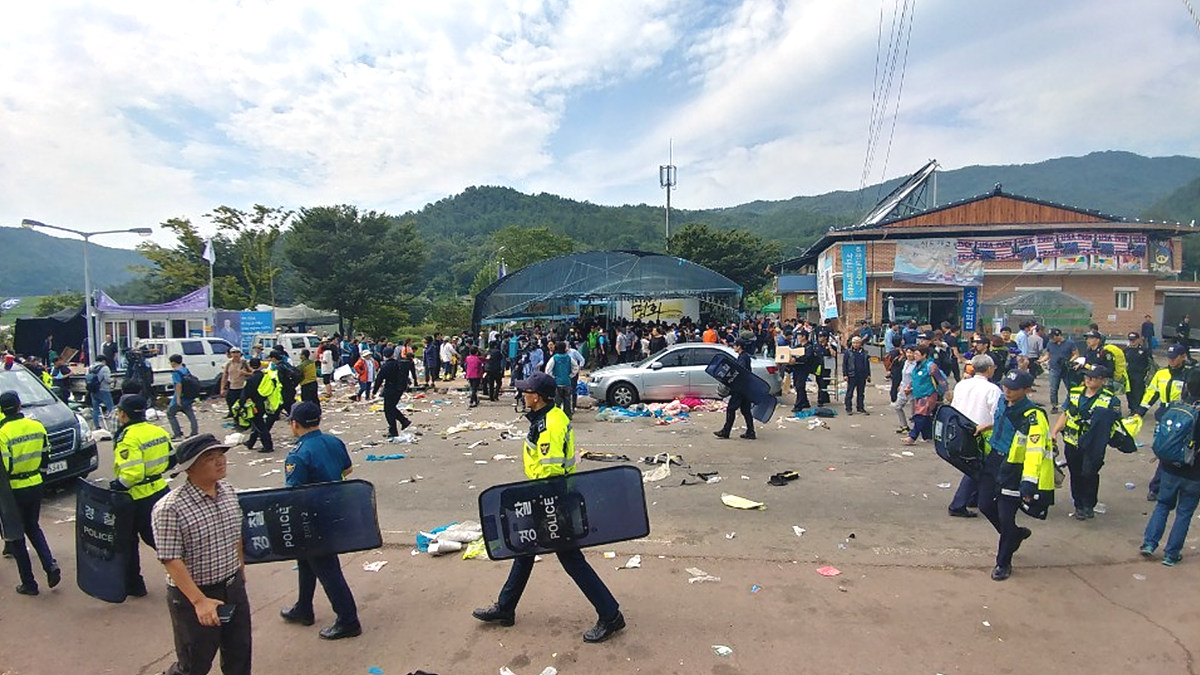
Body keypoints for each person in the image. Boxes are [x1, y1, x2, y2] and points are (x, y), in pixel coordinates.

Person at [471, 371, 625, 642]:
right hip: (546, 497)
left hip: (551, 500)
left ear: (538, 397)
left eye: (526, 391)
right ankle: (506, 608)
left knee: (571, 560)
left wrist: (543, 507)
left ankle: (611, 615)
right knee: (523, 550)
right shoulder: (546, 417)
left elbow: (551, 470)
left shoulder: (550, 425)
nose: (523, 395)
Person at [151, 434, 251, 675]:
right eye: (209, 458)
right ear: (190, 468)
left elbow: (236, 531)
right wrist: (199, 601)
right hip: (194, 595)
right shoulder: (170, 508)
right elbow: (170, 558)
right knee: (194, 664)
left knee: (239, 656)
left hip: (232, 587)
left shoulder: (227, 491)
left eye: (220, 456)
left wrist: (240, 568)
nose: (220, 462)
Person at [279, 402, 362, 639]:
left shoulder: (298, 454)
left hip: (312, 518)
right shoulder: (334, 442)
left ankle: (348, 620)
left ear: (294, 424)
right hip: (335, 510)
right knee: (306, 561)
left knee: (327, 569)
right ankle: (303, 608)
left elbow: (294, 492)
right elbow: (347, 471)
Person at [977, 369, 1054, 581]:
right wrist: (988, 426)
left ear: (1027, 390)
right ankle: (1015, 535)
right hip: (993, 459)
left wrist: (1029, 482)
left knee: (1006, 516)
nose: (1007, 391)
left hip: (1013, 467)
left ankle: (1003, 562)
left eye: (1013, 389)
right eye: (1005, 386)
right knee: (984, 504)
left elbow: (1035, 452)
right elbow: (1003, 421)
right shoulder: (1002, 401)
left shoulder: (1033, 416)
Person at [111, 394, 173, 596]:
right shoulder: (157, 431)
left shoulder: (127, 438)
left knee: (130, 541)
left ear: (123, 415)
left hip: (137, 497)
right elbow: (172, 461)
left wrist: (118, 485)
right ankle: (192, 570)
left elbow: (133, 473)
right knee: (165, 538)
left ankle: (135, 586)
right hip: (161, 490)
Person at [1, 392, 61, 595]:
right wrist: (40, 479)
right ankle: (50, 564)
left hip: (13, 490)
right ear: (19, 406)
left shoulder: (2, 433)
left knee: (17, 536)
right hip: (35, 484)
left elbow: (6, 467)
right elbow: (46, 457)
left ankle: (29, 583)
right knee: (33, 527)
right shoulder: (37, 426)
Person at [1140, 368, 1200, 566]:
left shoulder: (1174, 407)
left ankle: (1149, 543)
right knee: (1184, 512)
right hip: (1194, 472)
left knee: (1163, 505)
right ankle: (1171, 554)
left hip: (1168, 467)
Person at [1051, 364, 1120, 520]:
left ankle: (1089, 504)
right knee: (1075, 474)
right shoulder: (1075, 393)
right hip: (1072, 441)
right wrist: (1054, 432)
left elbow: (1114, 422)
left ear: (1103, 380)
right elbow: (1065, 414)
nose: (1088, 380)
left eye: (1093, 377)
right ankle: (1079, 506)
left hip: (1093, 445)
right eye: (1087, 376)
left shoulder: (1110, 399)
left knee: (1089, 473)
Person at [947, 355, 1002, 518]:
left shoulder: (961, 385)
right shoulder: (992, 389)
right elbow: (996, 415)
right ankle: (959, 504)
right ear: (989, 369)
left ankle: (973, 498)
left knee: (975, 465)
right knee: (978, 468)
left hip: (962, 429)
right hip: (983, 432)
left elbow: (954, 408)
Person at [1138, 343, 1192, 501]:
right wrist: (1141, 411)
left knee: (1178, 451)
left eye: (1175, 358)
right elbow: (1151, 393)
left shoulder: (1189, 374)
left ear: (1183, 357)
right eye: (1169, 358)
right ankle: (1158, 485)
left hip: (1182, 415)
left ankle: (1160, 486)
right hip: (1164, 414)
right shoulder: (1161, 374)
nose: (1171, 361)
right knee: (1163, 450)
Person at [902, 345, 944, 445]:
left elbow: (941, 380)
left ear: (924, 355)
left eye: (917, 354)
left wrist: (945, 393)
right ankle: (928, 436)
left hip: (928, 394)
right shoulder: (917, 366)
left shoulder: (931, 366)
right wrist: (910, 387)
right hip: (918, 394)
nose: (914, 356)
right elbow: (915, 379)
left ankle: (912, 437)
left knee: (920, 415)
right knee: (925, 417)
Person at [715, 341, 756, 440]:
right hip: (745, 387)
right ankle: (751, 432)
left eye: (735, 346)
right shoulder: (744, 356)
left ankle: (726, 431)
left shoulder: (743, 358)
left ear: (739, 347)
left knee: (731, 409)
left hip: (740, 388)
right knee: (745, 410)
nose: (734, 347)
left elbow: (740, 370)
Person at [241, 358, 281, 454]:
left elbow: (245, 394)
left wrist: (242, 405)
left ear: (250, 366)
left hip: (254, 405)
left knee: (260, 425)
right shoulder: (266, 376)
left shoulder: (251, 379)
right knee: (257, 424)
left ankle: (268, 446)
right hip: (265, 402)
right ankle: (251, 442)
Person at [1041, 328, 1078, 414]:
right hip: (1054, 368)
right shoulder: (1050, 344)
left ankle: (1070, 404)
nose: (1051, 339)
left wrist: (1070, 361)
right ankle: (1054, 406)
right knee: (1053, 388)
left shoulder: (1069, 343)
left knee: (1070, 388)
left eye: (1053, 337)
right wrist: (1041, 360)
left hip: (1066, 369)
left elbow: (1076, 354)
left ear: (1058, 335)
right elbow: (1048, 355)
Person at [167, 354, 199, 440]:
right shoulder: (185, 369)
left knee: (170, 414)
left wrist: (178, 399)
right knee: (190, 413)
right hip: (189, 396)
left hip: (181, 397)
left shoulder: (176, 372)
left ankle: (177, 433)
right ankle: (194, 432)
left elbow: (178, 385)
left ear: (173, 362)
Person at [546, 341, 578, 418]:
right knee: (567, 401)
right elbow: (576, 367)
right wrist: (570, 376)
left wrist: (553, 377)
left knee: (557, 402)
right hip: (567, 382)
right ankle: (567, 416)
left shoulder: (554, 358)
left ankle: (557, 417)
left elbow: (548, 370)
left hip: (558, 383)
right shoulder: (569, 358)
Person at [1124, 332, 1153, 412]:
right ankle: (1132, 408)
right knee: (1129, 393)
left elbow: (1150, 363)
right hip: (1129, 374)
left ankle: (1137, 409)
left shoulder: (1143, 350)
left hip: (1139, 375)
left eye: (1134, 340)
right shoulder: (1126, 350)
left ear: (1138, 340)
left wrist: (1147, 374)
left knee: (1138, 392)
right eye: (1130, 340)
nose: (1132, 342)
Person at [891, 346, 916, 435]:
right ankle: (904, 426)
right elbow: (904, 375)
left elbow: (917, 379)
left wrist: (911, 388)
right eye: (908, 352)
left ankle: (915, 430)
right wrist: (901, 385)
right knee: (897, 406)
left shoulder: (917, 365)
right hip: (903, 389)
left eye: (911, 352)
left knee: (914, 412)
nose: (909, 354)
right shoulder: (906, 362)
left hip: (912, 391)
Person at [842, 336, 870, 415]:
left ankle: (860, 407)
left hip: (862, 375)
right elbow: (845, 364)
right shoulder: (848, 352)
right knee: (850, 392)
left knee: (861, 393)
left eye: (858, 343)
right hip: (852, 375)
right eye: (854, 343)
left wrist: (868, 375)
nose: (856, 344)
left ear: (860, 343)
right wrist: (845, 374)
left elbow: (867, 364)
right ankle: (848, 408)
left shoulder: (864, 353)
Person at [220, 348, 249, 418]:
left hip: (243, 386)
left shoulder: (245, 363)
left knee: (242, 403)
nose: (235, 354)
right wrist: (222, 388)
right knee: (230, 402)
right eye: (233, 352)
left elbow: (253, 373)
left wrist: (245, 373)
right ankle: (233, 415)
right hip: (232, 386)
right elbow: (225, 376)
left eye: (237, 352)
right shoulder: (228, 363)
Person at [89, 355, 115, 429]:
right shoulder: (105, 368)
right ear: (103, 361)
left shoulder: (90, 367)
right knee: (111, 408)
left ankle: (96, 426)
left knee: (95, 409)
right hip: (104, 389)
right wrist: (113, 380)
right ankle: (112, 425)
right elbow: (107, 379)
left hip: (93, 390)